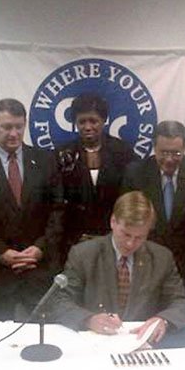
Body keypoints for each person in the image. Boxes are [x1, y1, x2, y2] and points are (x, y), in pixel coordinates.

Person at [0, 98, 64, 325]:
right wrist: (1, 253)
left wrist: (40, 248)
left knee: (46, 341)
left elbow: (58, 211)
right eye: (7, 127)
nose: (14, 133)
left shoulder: (46, 160)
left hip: (39, 270)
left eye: (19, 126)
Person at [51, 191, 185, 343]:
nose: (130, 244)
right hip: (96, 342)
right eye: (126, 234)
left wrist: (163, 320)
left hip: (141, 342)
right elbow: (59, 301)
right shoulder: (84, 254)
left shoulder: (161, 257)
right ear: (113, 222)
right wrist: (89, 319)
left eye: (139, 237)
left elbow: (183, 303)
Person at [123, 120, 185, 304]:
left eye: (176, 153)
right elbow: (126, 221)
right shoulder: (135, 173)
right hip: (145, 267)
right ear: (154, 148)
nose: (169, 159)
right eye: (163, 152)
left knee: (182, 324)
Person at [56, 92, 136, 260]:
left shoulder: (123, 152)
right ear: (74, 123)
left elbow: (130, 198)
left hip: (115, 240)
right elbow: (57, 202)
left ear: (104, 121)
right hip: (73, 242)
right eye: (82, 121)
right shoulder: (62, 153)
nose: (87, 127)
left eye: (93, 121)